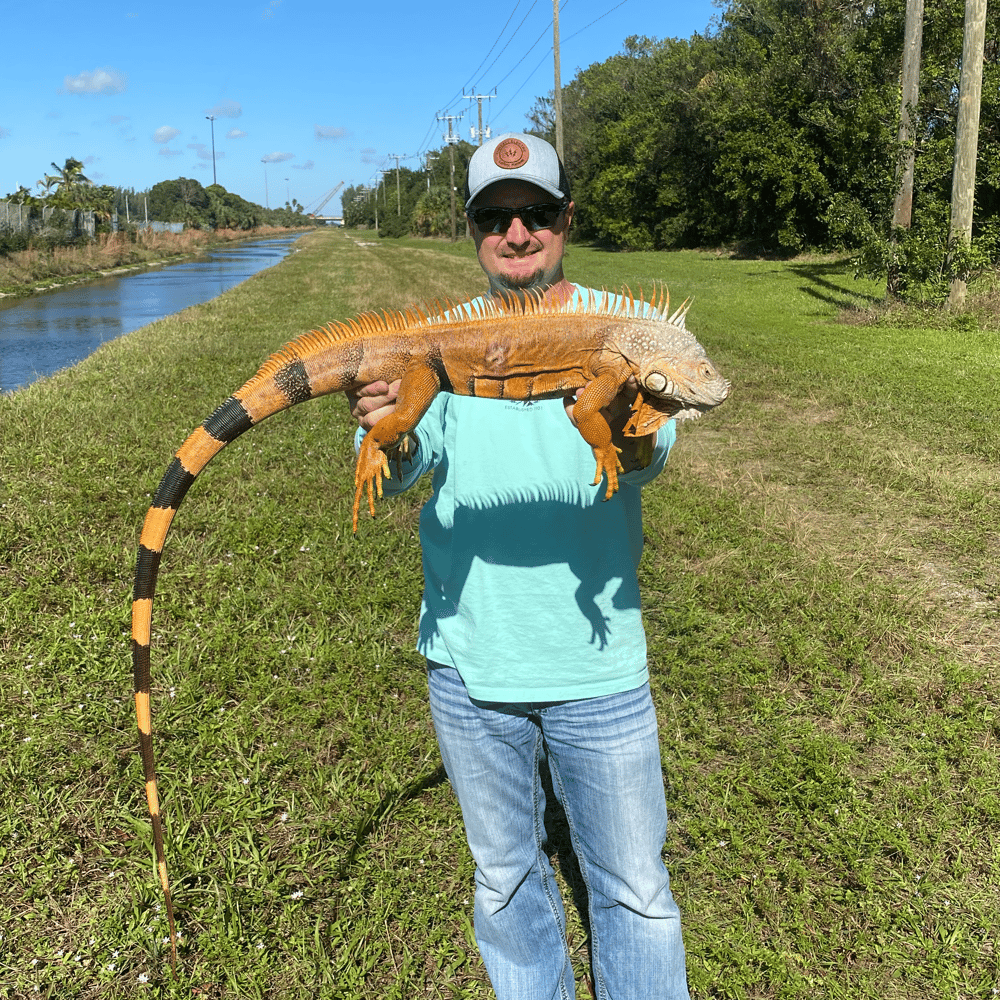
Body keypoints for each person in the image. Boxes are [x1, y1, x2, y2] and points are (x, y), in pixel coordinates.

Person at [347, 132, 689, 1000]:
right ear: (473, 231)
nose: (517, 233)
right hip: (469, 661)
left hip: (597, 663)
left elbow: (652, 453)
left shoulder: (626, 325)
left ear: (566, 218)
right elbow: (404, 468)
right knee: (505, 882)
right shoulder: (445, 340)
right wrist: (381, 426)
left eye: (536, 212)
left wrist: (638, 417)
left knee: (637, 893)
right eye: (495, 218)